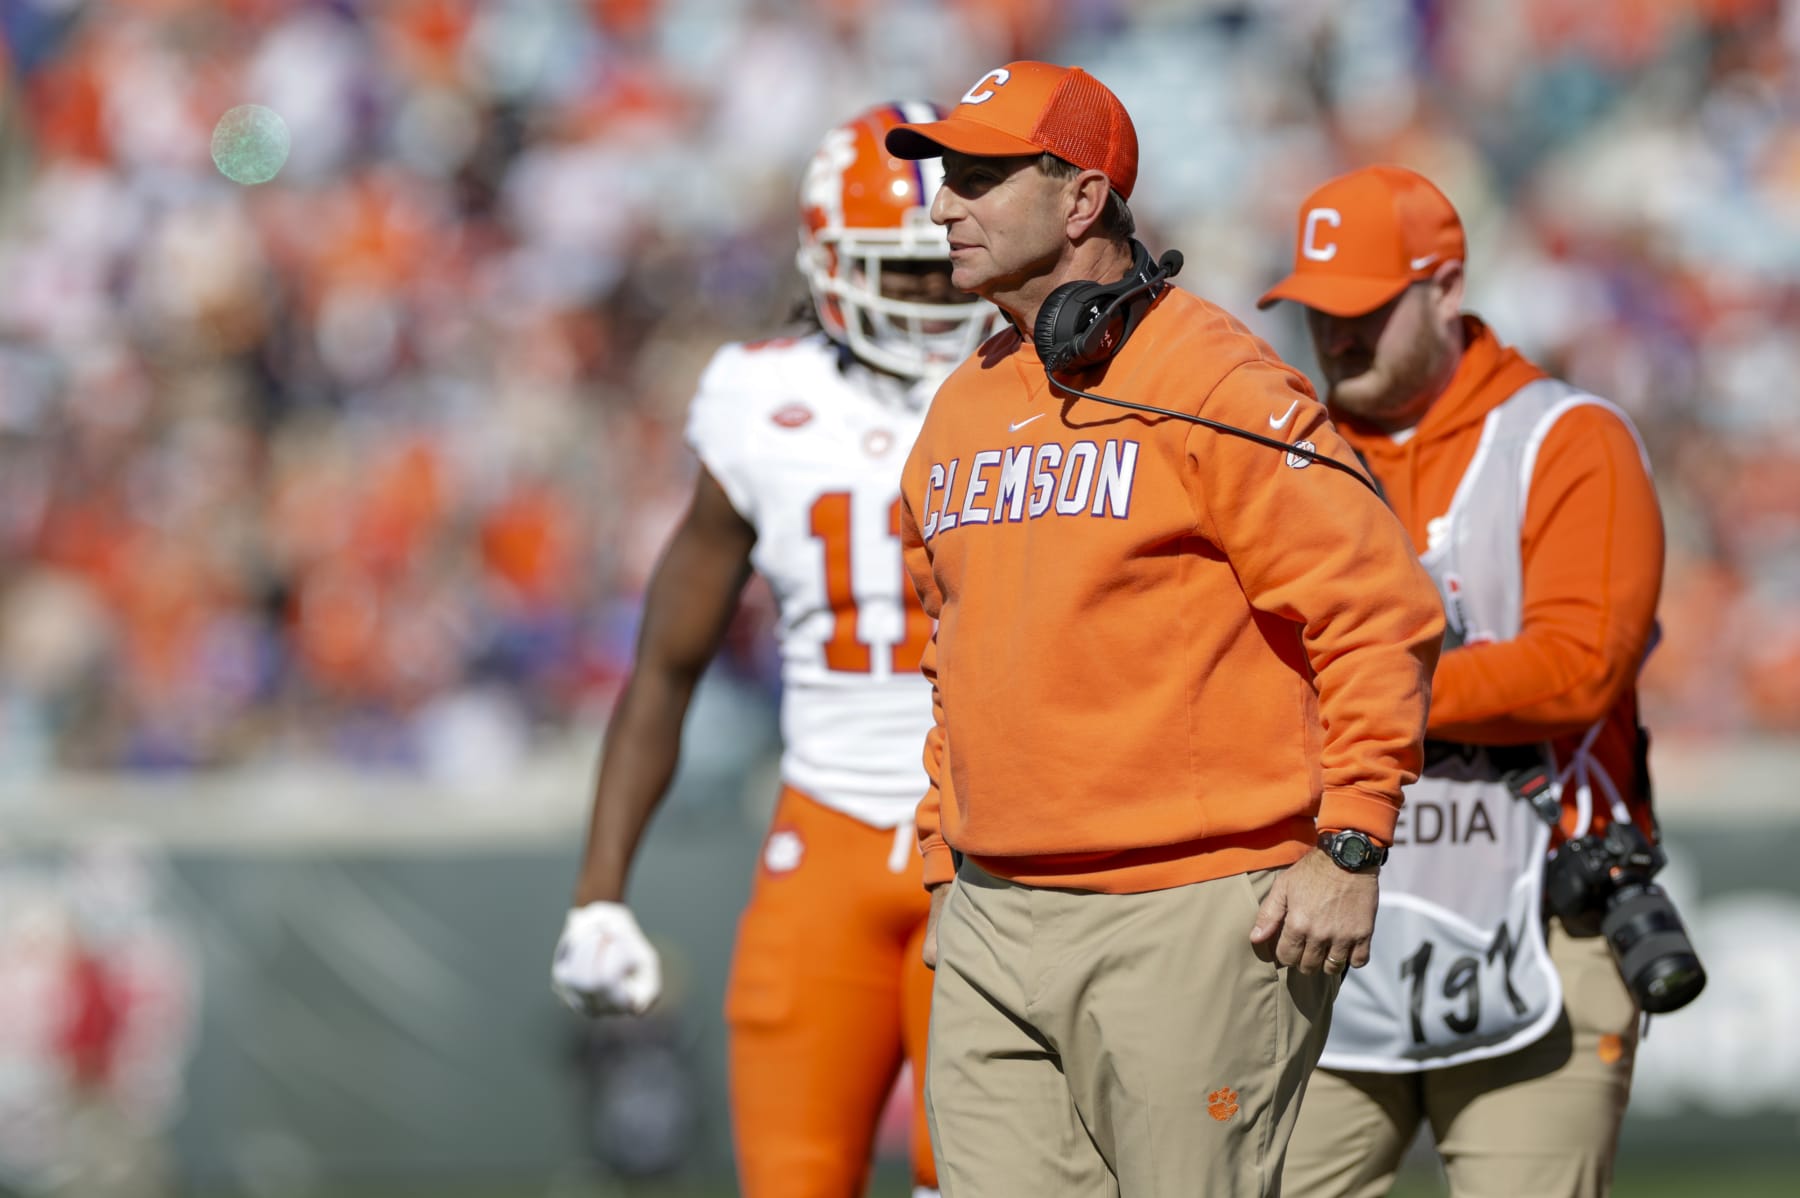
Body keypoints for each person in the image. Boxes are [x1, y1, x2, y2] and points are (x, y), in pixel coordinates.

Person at [882, 63, 1446, 1196]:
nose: (943, 204)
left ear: (1083, 200)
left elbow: (1376, 606)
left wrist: (1352, 841)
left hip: (1191, 911)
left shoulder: (1213, 377)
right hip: (995, 915)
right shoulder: (963, 402)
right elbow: (948, 654)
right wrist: (948, 862)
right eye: (944, 176)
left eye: (982, 176)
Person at [548, 101, 997, 1198]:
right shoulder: (762, 397)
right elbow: (666, 661)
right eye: (904, 270)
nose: (935, 295)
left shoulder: (1041, 386)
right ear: (828, 265)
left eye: (946, 265)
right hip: (826, 834)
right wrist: (599, 892)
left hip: (995, 842)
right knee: (792, 1176)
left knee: (986, 1178)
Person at [1258, 165, 1679, 1198]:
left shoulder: (1564, 438)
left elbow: (1578, 665)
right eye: (1317, 312)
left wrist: (1356, 696)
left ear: (1445, 289)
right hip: (1328, 921)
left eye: (1363, 310)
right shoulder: (1283, 456)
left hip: (1544, 912)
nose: (1336, 337)